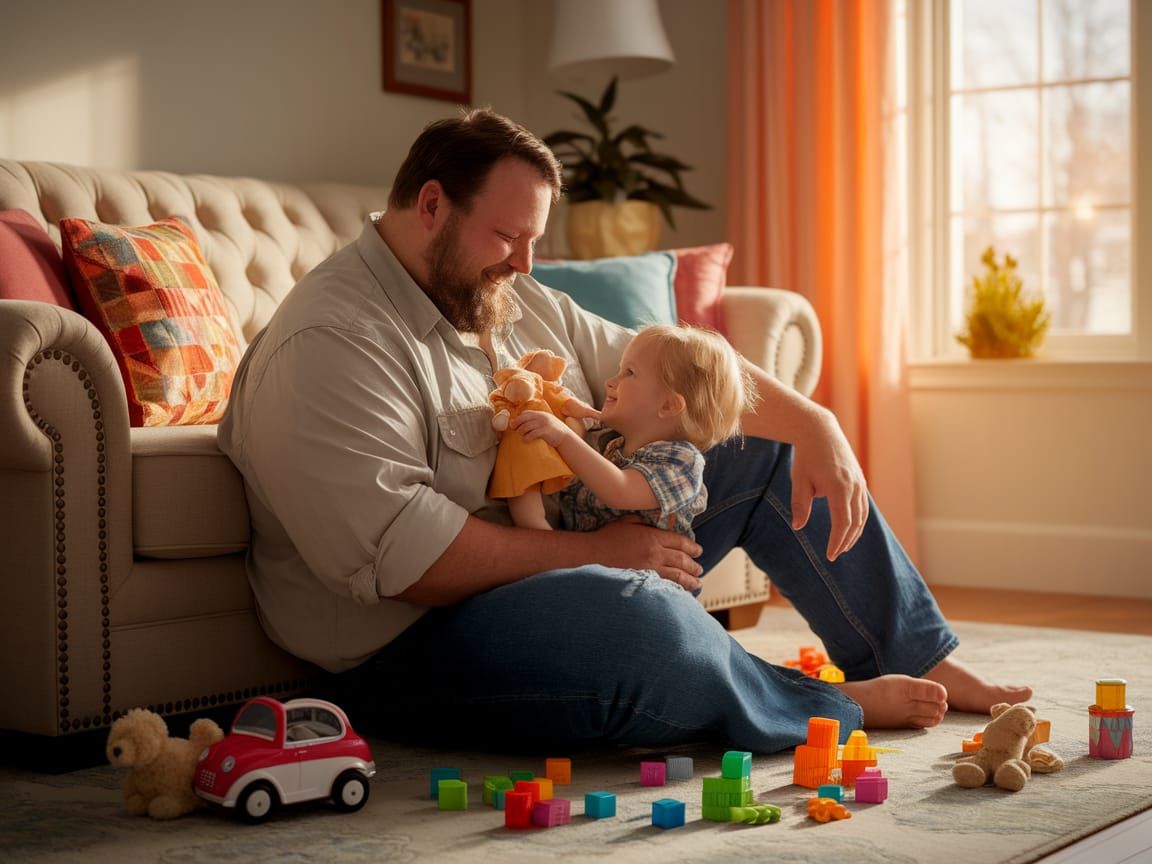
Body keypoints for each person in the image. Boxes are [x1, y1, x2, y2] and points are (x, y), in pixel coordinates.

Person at [217, 107, 1031, 754]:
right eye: (508, 237)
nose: (527, 264)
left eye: (535, 239)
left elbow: (686, 385)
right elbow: (408, 561)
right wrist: (606, 554)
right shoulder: (330, 344)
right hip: (410, 645)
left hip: (571, 551)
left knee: (762, 443)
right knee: (641, 625)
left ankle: (915, 655)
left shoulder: (508, 294)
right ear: (431, 205)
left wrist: (818, 423)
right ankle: (826, 705)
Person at [512, 324, 755, 541]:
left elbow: (620, 490)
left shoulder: (682, 463)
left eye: (629, 372)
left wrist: (562, 436)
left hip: (647, 578)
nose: (609, 381)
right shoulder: (608, 445)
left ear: (668, 405)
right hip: (591, 563)